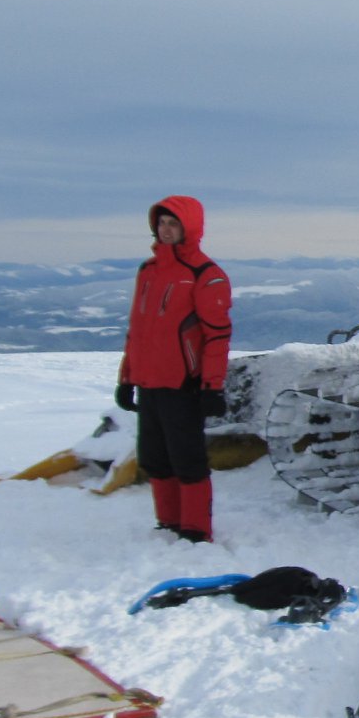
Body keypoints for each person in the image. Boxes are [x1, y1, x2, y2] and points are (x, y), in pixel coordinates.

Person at [114, 196, 233, 542]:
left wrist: (212, 385)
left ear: (189, 228)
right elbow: (136, 330)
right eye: (162, 223)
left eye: (173, 223)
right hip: (149, 380)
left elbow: (217, 335)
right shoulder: (148, 271)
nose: (166, 230)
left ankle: (195, 530)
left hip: (184, 384)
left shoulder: (206, 275)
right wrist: (126, 378)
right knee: (154, 456)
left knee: (187, 459)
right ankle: (168, 522)